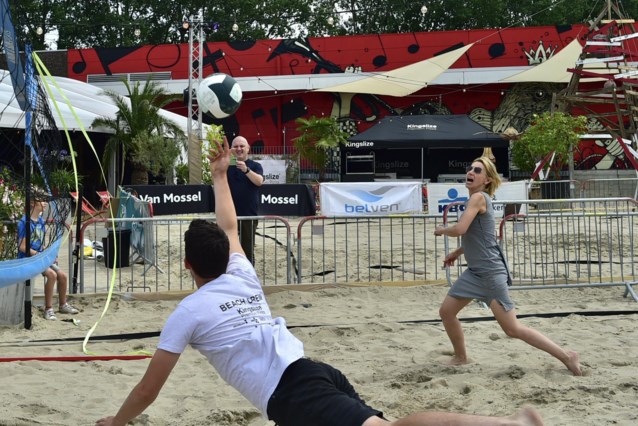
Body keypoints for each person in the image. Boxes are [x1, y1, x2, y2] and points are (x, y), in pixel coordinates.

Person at [96, 139, 546, 426]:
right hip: (310, 375)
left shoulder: (189, 311)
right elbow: (231, 229)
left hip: (295, 392)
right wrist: (219, 175)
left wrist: (114, 424)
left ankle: (512, 424)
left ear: (188, 267)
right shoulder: (242, 273)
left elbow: (148, 390)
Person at [434, 156, 581, 376]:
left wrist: (442, 230)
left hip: (491, 274)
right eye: (470, 168)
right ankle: (461, 357)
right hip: (474, 273)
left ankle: (567, 356)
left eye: (477, 170)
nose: (471, 172)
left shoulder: (478, 198)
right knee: (446, 312)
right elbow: (483, 237)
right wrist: (458, 252)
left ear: (487, 180)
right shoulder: (476, 199)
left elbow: (461, 229)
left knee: (512, 329)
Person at [18, 196, 78, 320]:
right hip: (28, 258)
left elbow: (39, 242)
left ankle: (63, 305)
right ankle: (48, 309)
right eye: (42, 200)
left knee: (63, 275)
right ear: (33, 203)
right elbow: (22, 247)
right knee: (51, 275)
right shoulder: (25, 222)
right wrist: (38, 254)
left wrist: (48, 254)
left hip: (39, 256)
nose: (45, 203)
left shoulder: (40, 220)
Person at [228, 135, 264, 264]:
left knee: (247, 250)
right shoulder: (227, 166)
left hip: (248, 215)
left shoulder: (255, 165)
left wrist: (246, 170)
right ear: (231, 149)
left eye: (242, 146)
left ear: (248, 148)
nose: (239, 149)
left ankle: (248, 278)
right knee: (227, 249)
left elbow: (259, 181)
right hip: (229, 215)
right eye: (236, 146)